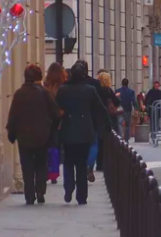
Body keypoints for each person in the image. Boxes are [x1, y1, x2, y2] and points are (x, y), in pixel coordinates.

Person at [6, 64, 60, 205]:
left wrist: (12, 132)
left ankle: (29, 194)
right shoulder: (44, 92)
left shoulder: (19, 94)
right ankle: (40, 190)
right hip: (43, 135)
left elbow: (13, 116)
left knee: (27, 165)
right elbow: (55, 114)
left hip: (24, 136)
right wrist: (52, 128)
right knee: (41, 163)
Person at [55, 62, 106, 205]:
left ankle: (69, 188)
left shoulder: (63, 90)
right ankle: (82, 196)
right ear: (83, 75)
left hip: (68, 131)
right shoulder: (89, 90)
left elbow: (55, 110)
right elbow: (101, 109)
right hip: (85, 133)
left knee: (68, 162)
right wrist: (105, 127)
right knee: (82, 165)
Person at [90, 71, 119, 182]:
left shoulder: (95, 89)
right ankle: (103, 163)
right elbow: (116, 102)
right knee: (106, 141)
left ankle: (98, 163)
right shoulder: (108, 91)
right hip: (107, 117)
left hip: (97, 118)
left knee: (98, 141)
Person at [43, 62, 66, 185]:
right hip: (59, 118)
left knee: (46, 146)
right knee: (55, 147)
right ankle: (53, 173)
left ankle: (46, 170)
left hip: (47, 119)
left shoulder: (45, 85)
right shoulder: (63, 85)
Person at [115, 78, 138, 143]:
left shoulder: (117, 91)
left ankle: (120, 137)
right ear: (128, 84)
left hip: (119, 110)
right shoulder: (131, 91)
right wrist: (135, 108)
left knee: (119, 124)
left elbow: (115, 100)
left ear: (122, 83)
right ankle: (126, 139)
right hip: (127, 109)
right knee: (127, 125)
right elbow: (133, 101)